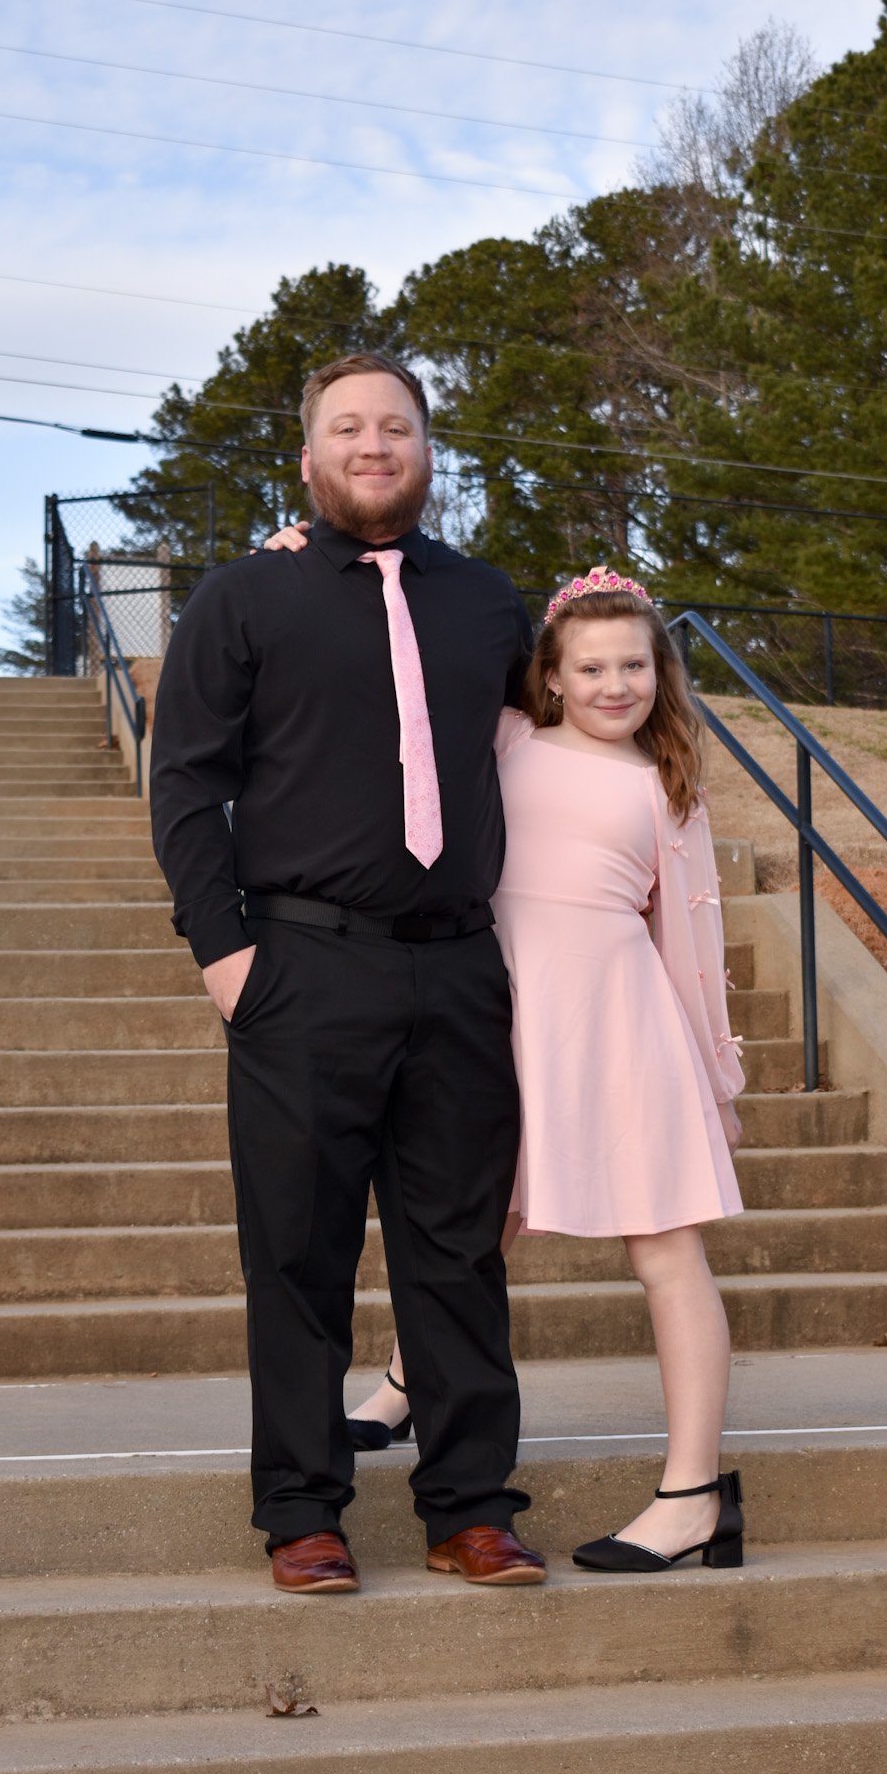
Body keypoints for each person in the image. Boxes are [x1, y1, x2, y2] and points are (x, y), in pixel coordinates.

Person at [263, 534, 749, 1571]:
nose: (613, 683)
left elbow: (692, 944)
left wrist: (714, 1074)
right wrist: (302, 556)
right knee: (474, 1221)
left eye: (633, 664)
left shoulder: (667, 784)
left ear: (659, 672)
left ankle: (693, 1490)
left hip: (618, 1022)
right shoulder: (507, 740)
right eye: (590, 666)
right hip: (493, 1009)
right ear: (551, 676)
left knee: (664, 1250)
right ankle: (403, 1382)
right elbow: (401, 650)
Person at [150, 351, 545, 1595]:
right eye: (346, 427)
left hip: (458, 972)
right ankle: (302, 1508)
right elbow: (186, 785)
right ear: (309, 455)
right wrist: (228, 956)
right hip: (301, 972)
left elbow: (560, 742)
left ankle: (471, 1504)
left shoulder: (491, 605)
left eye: (397, 426)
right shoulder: (242, 599)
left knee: (455, 1254)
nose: (374, 444)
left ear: (428, 449)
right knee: (298, 1252)